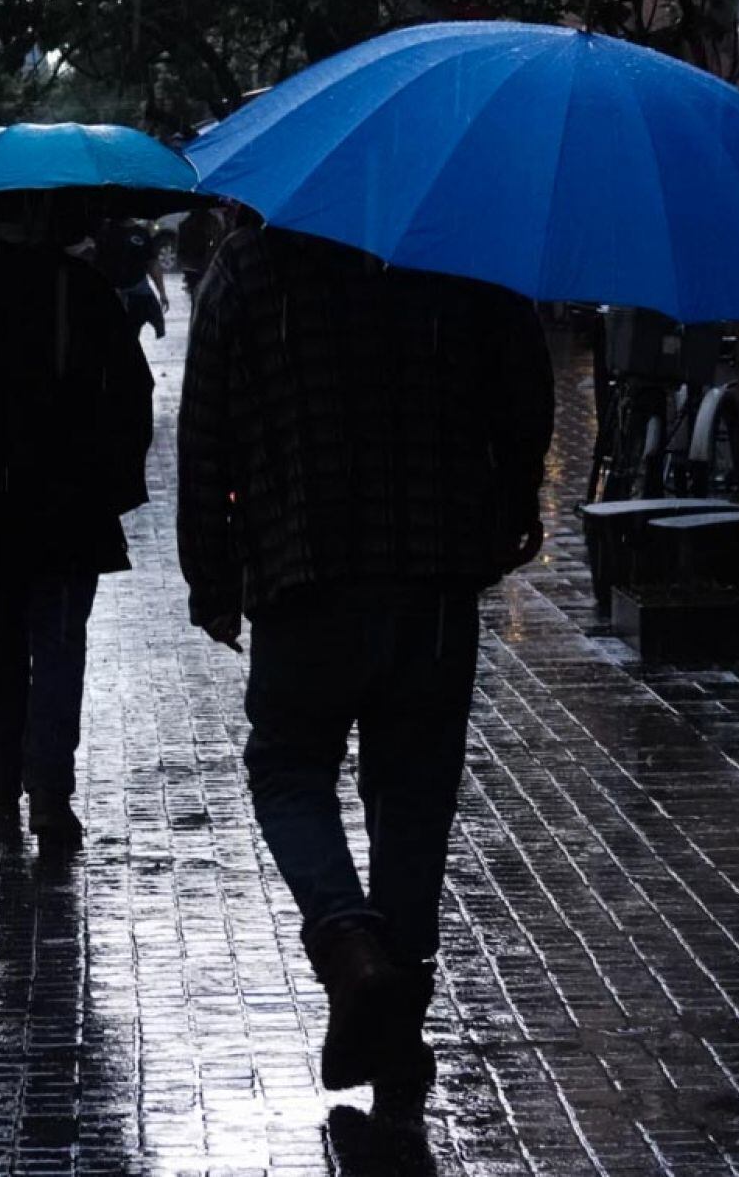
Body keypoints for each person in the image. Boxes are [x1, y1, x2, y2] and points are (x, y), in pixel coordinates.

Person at [178, 226, 553, 1108]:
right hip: (433, 575)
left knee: (288, 767)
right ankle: (399, 1011)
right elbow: (524, 389)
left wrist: (212, 576)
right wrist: (508, 501)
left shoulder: (248, 266)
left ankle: (351, 949)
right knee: (414, 791)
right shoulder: (464, 254)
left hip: (302, 571)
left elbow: (206, 435)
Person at [0, 207, 154, 848]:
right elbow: (132, 397)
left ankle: (1, 781)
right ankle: (47, 792)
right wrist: (111, 488)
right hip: (71, 511)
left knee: (4, 640)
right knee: (60, 644)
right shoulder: (85, 292)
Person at [94, 218, 169, 338]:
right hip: (112, 292)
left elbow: (152, 264)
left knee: (132, 332)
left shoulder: (142, 234)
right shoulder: (105, 233)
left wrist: (162, 293)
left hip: (137, 292)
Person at [175, 205, 225, 307]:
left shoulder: (185, 224)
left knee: (198, 301)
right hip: (203, 267)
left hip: (193, 267)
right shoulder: (212, 223)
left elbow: (181, 251)